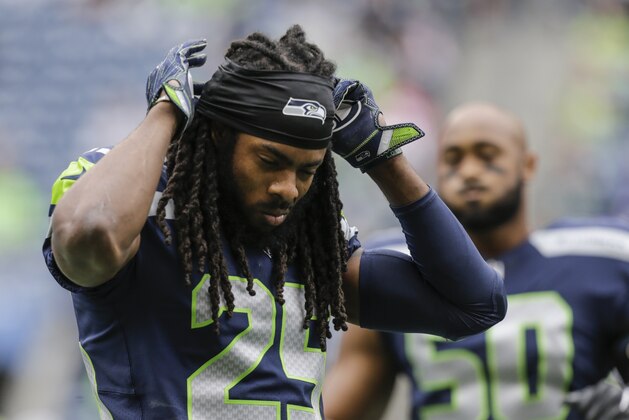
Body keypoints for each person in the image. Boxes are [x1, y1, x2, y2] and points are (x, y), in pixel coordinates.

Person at [42, 26, 506, 420]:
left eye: (308, 170)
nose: (288, 188)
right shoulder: (127, 196)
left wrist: (382, 160)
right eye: (270, 160)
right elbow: (91, 236)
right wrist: (166, 112)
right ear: (220, 134)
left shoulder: (309, 238)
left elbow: (475, 305)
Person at [323, 102, 629, 420]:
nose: (469, 171)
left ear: (528, 165)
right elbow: (341, 409)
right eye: (453, 159)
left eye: (487, 155)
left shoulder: (606, 254)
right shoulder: (391, 263)